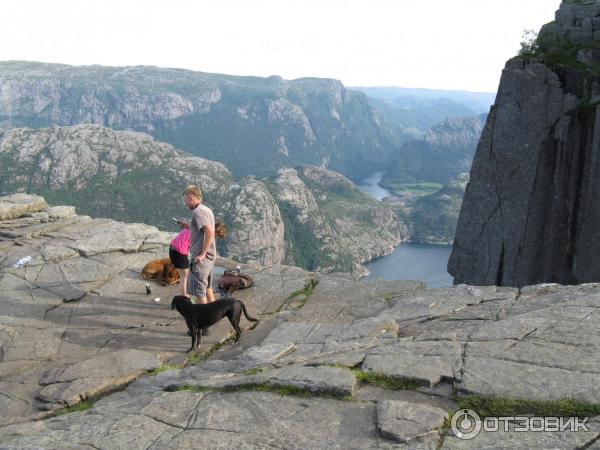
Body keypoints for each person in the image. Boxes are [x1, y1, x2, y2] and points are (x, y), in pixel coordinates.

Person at [177, 185, 216, 305]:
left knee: (200, 293)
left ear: (191, 198)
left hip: (202, 259)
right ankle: (214, 312)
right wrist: (188, 226)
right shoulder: (206, 209)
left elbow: (209, 232)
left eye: (185, 201)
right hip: (210, 256)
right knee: (207, 287)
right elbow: (202, 230)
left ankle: (203, 320)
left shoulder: (197, 212)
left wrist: (202, 254)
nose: (185, 204)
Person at [169, 227, 190, 297]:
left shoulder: (189, 227)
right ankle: (185, 297)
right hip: (180, 253)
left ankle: (181, 294)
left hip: (172, 250)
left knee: (182, 276)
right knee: (184, 277)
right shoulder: (197, 232)